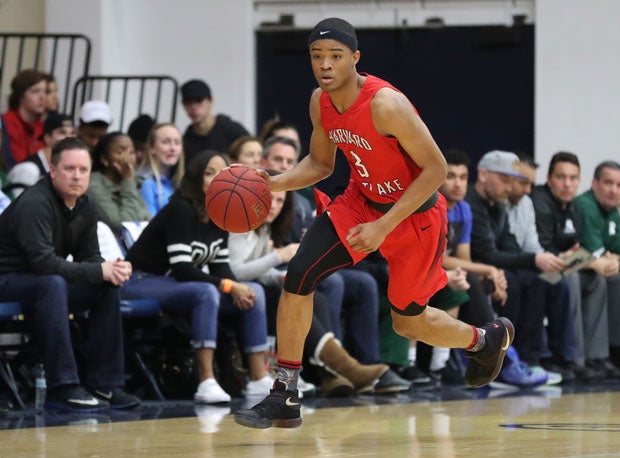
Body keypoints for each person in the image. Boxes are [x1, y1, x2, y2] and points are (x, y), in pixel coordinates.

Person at [234, 18, 514, 429]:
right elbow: (320, 163)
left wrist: (385, 225)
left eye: (335, 56)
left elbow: (435, 170)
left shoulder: (385, 104)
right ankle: (286, 392)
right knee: (299, 275)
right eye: (317, 56)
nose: (325, 65)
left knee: (407, 321)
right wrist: (273, 182)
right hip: (360, 202)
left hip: (414, 215)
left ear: (355, 59)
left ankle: (485, 340)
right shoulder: (321, 102)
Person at [228, 171, 408, 396]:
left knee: (314, 294)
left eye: (280, 201)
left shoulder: (266, 228)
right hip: (233, 289)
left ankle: (330, 373)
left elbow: (263, 273)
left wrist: (279, 275)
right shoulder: (240, 221)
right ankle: (344, 368)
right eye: (270, 198)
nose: (273, 206)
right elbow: (235, 271)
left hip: (258, 287)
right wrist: (279, 256)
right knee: (286, 294)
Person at [0, 136, 140, 412]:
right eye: (69, 169)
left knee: (106, 285)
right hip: (8, 279)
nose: (77, 176)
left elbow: (91, 258)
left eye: (83, 170)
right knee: (52, 284)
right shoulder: (35, 203)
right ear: (53, 171)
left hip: (42, 283)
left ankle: (106, 384)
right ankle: (62, 387)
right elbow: (43, 263)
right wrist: (99, 270)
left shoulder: (85, 205)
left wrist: (111, 270)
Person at [122, 151, 272, 403]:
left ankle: (258, 379)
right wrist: (229, 286)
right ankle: (206, 381)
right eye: (208, 173)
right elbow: (182, 268)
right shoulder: (180, 210)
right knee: (207, 292)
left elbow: (220, 268)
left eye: (222, 173)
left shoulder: (221, 213)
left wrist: (236, 286)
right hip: (140, 280)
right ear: (195, 177)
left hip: (171, 284)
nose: (216, 179)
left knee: (252, 291)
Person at [465, 150, 565, 371]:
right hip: (474, 269)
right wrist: (533, 259)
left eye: (512, 182)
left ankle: (529, 357)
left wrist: (535, 260)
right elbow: (488, 254)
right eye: (505, 180)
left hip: (493, 267)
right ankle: (501, 361)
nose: (509, 187)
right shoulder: (472, 204)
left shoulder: (498, 205)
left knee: (536, 280)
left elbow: (508, 243)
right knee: (515, 281)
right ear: (483, 175)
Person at [531, 152, 617, 378]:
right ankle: (570, 357)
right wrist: (586, 260)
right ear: (549, 179)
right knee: (573, 276)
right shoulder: (541, 203)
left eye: (573, 178)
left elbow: (577, 250)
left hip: (562, 266)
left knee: (596, 279)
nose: (567, 184)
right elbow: (546, 253)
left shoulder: (572, 207)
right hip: (538, 271)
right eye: (561, 177)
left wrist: (582, 259)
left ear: (579, 180)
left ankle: (595, 356)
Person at [573, 160, 620, 364]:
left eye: (619, 186)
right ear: (594, 184)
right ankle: (610, 352)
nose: (613, 190)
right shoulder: (586, 205)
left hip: (593, 267)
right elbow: (599, 256)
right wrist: (613, 260)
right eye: (608, 183)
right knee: (614, 280)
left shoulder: (613, 210)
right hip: (578, 268)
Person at [88, 132, 151, 235]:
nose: (127, 158)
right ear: (104, 159)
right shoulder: (94, 185)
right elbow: (122, 225)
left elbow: (147, 220)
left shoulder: (137, 182)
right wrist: (128, 181)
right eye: (120, 151)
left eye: (131, 152)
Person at [180, 79, 250, 164]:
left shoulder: (232, 130)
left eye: (199, 100)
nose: (193, 107)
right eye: (188, 102)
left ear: (211, 102)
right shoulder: (186, 140)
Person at [7, 113, 74, 198]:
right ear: (47, 137)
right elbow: (18, 208)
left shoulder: (62, 171)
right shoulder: (29, 169)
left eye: (72, 133)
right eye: (62, 132)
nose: (69, 138)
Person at [1, 69, 47, 166]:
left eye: (45, 91)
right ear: (21, 95)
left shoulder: (42, 126)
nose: (42, 97)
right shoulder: (5, 122)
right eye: (35, 91)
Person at [138, 123, 185, 216]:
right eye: (166, 142)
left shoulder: (176, 182)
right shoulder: (145, 182)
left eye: (177, 143)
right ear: (151, 148)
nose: (173, 148)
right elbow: (150, 224)